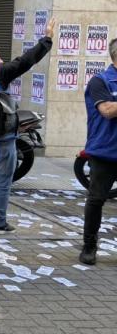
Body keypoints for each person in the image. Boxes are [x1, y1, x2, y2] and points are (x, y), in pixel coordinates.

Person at [0, 17, 54, 235]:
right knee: (1, 181)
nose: (1, 61)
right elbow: (26, 60)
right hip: (3, 139)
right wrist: (46, 39)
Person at [79, 38, 117, 265]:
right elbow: (107, 111)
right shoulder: (101, 81)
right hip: (105, 152)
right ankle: (89, 245)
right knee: (96, 200)